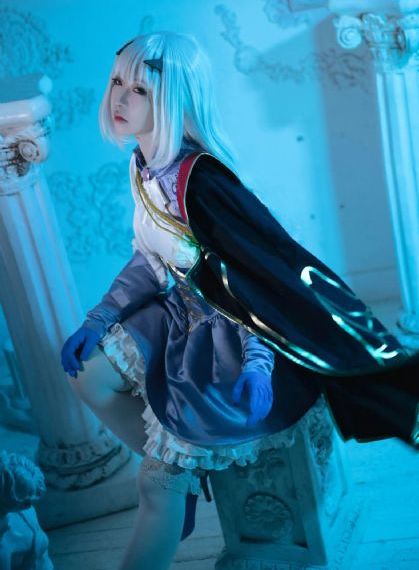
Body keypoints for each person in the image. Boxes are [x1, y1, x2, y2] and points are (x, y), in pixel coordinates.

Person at [61, 32, 418, 570]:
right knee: (87, 376)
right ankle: (180, 478)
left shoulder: (202, 183)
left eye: (140, 89)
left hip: (232, 330)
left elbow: (259, 284)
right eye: (117, 82)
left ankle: (171, 482)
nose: (120, 98)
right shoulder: (142, 166)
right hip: (179, 311)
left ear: (174, 99)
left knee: (155, 487)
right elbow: (152, 260)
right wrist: (99, 319)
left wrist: (256, 363)